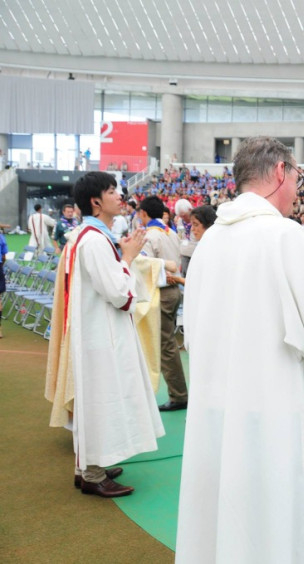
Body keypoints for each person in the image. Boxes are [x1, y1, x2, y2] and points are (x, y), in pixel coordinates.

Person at [176, 137, 304, 562]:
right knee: (271, 514)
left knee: (224, 506)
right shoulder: (284, 235)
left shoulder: (211, 239)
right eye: (298, 179)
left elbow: (191, 328)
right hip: (270, 405)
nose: (298, 191)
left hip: (217, 400)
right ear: (281, 172)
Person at [45, 171, 164, 497]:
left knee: (96, 398)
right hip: (100, 334)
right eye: (112, 191)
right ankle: (93, 474)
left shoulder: (87, 235)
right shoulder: (95, 241)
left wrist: (124, 256)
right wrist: (128, 257)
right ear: (96, 202)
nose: (119, 195)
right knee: (100, 398)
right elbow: (119, 294)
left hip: (95, 331)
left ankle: (87, 466)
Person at [136, 196, 188, 412]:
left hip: (162, 292)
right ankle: (178, 393)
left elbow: (144, 264)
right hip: (173, 290)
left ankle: (178, 395)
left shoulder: (150, 235)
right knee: (167, 343)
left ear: (144, 213)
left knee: (165, 345)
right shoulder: (171, 232)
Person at [174, 198, 196, 274]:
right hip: (184, 253)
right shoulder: (180, 221)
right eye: (181, 216)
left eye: (184, 216)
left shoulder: (198, 219)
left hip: (196, 253)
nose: (183, 218)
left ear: (190, 210)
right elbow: (180, 237)